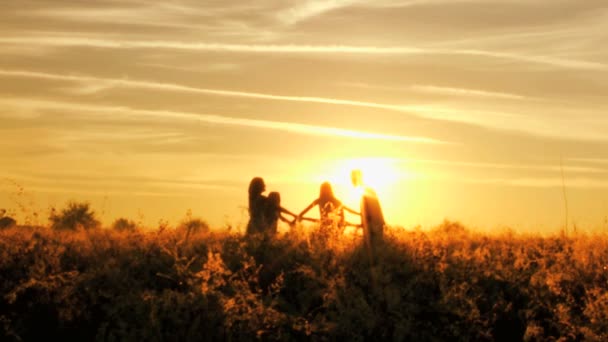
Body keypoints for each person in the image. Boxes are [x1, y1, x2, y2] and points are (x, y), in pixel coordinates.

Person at [351, 169, 385, 250]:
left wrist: (367, 224)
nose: (352, 181)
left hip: (373, 224)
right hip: (375, 223)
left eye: (352, 178)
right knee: (376, 249)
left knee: (373, 249)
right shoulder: (365, 190)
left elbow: (369, 211)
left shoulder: (364, 191)